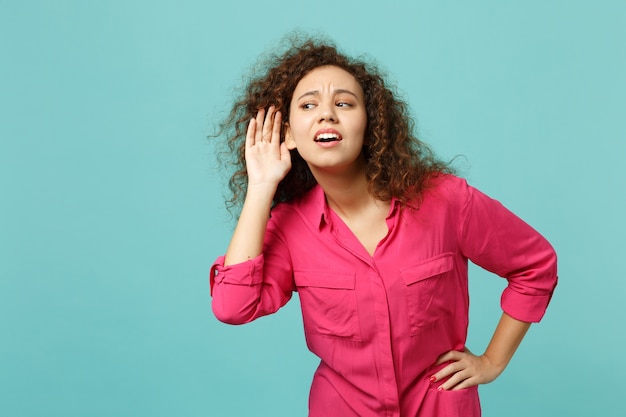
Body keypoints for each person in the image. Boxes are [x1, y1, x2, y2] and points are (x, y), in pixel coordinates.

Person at [209, 36, 557, 417]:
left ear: (369, 124)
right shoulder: (291, 227)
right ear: (288, 134)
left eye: (344, 103)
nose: (327, 114)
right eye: (309, 105)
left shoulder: (445, 200)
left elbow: (535, 265)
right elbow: (233, 306)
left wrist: (492, 361)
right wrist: (261, 187)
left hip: (440, 406)